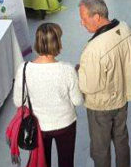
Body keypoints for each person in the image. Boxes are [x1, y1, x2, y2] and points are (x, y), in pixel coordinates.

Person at [77, 0, 131, 167]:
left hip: (101, 107)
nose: (82, 22)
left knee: (100, 149)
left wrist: (79, 72)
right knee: (121, 140)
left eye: (83, 18)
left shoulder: (94, 49)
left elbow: (89, 86)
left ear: (96, 17)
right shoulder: (125, 28)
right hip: (122, 98)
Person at [13, 23, 82, 167]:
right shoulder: (68, 69)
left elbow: (18, 102)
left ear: (37, 42)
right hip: (66, 124)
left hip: (38, 126)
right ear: (57, 43)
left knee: (43, 163)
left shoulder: (24, 69)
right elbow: (77, 101)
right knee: (66, 162)